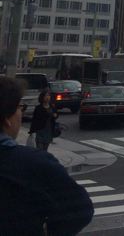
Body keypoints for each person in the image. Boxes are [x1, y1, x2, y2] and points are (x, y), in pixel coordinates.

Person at [0, 76, 94, 235]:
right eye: (19, 107)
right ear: (6, 120)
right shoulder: (33, 164)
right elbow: (80, 209)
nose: (21, 112)